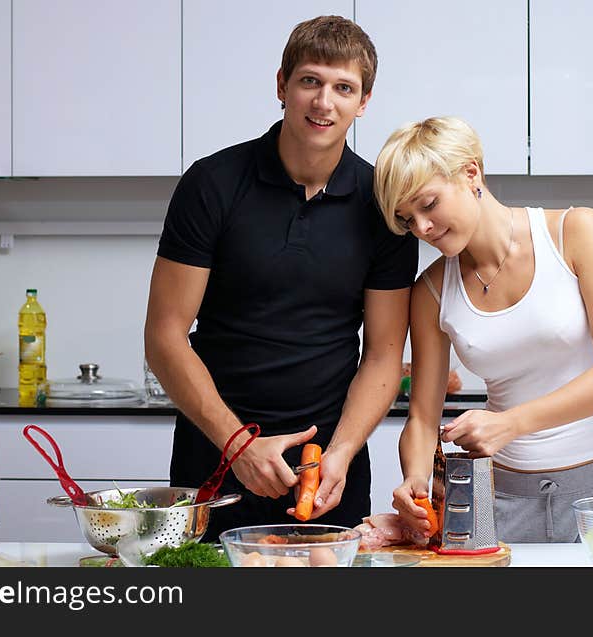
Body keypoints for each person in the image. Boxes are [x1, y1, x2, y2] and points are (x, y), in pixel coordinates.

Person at [144, 15, 418, 542]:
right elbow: (164, 337)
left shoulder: (382, 202)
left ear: (363, 102)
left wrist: (341, 452)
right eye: (310, 81)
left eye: (344, 88)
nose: (324, 102)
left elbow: (383, 353)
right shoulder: (212, 184)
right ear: (282, 86)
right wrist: (237, 446)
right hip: (214, 462)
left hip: (329, 476)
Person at [372, 116, 593, 543]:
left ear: (471, 173)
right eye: (407, 219)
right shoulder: (430, 291)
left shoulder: (575, 232)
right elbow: (421, 418)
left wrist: (510, 424)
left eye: (428, 204)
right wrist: (414, 478)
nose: (422, 228)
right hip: (505, 496)